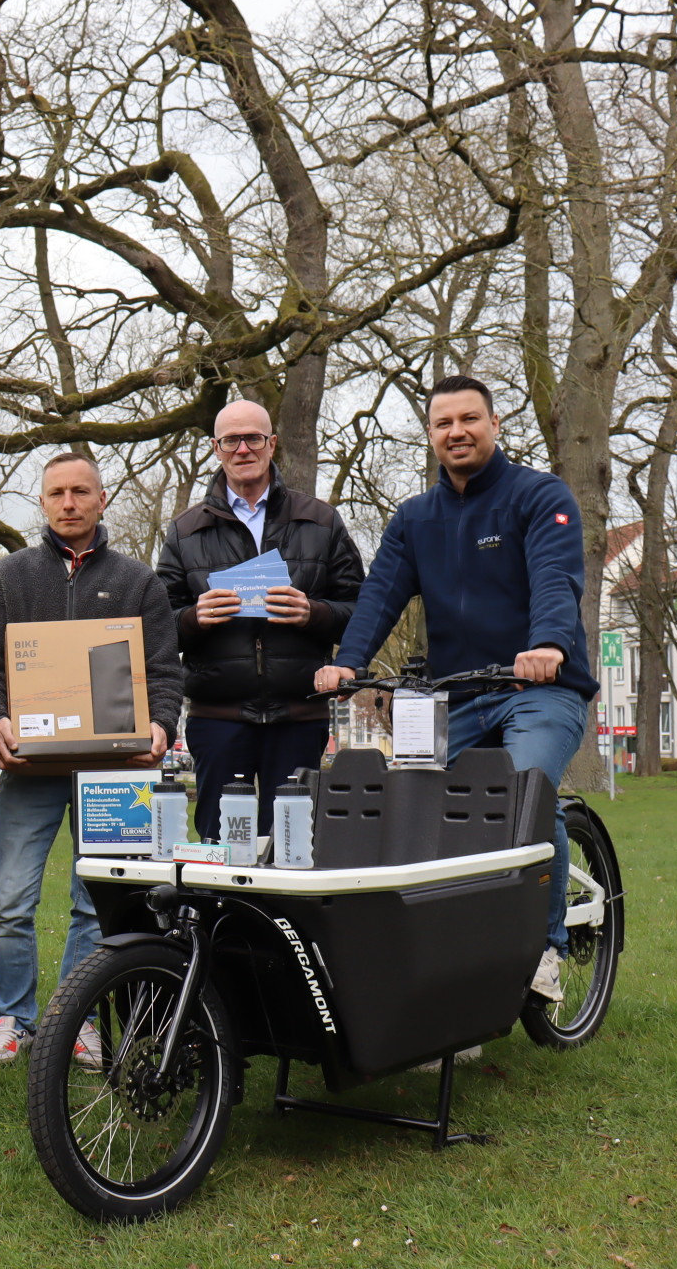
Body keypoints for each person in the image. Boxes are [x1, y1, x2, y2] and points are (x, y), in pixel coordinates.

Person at [315, 375, 597, 1003]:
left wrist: (549, 644)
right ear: (431, 435)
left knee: (526, 793)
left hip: (538, 688)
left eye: (469, 419)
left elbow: (555, 575)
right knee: (417, 807)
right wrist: (349, 664)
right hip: (459, 695)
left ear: (495, 424)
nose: (457, 432)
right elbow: (379, 595)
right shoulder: (415, 519)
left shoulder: (538, 495)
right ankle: (448, 959)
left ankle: (545, 946)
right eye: (444, 423)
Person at [0, 451, 183, 1064]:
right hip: (30, 769)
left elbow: (164, 673)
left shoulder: (139, 582)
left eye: (81, 491)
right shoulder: (8, 578)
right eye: (57, 492)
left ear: (101, 499)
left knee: (97, 902)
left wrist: (161, 726)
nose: (69, 502)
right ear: (42, 501)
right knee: (11, 903)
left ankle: (76, 1019)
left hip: (113, 773)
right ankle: (13, 1019)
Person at [156, 401, 366, 840]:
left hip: (299, 715)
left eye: (253, 438)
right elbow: (157, 627)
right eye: (231, 440)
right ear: (216, 448)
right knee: (218, 845)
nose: (242, 449)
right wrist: (194, 618)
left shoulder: (321, 521)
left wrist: (314, 613)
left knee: (293, 846)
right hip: (218, 716)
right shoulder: (184, 531)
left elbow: (362, 614)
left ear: (272, 444)